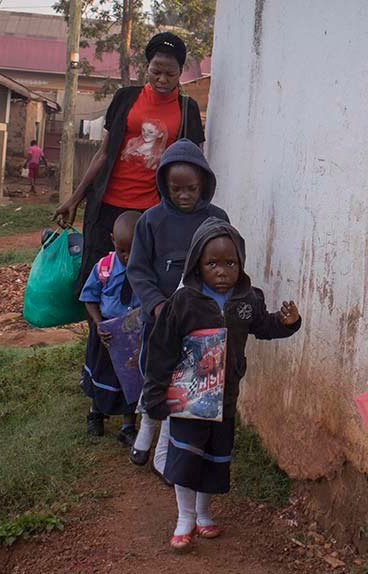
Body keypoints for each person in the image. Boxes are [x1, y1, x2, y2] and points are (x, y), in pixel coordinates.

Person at [141, 218, 301, 553]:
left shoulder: (247, 300)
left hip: (225, 399)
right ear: (197, 263)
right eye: (212, 263)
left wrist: (287, 323)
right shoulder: (183, 301)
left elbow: (263, 326)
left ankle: (203, 513)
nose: (222, 271)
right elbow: (161, 350)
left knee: (214, 459)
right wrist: (155, 396)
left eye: (230, 263)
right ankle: (184, 519)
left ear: (240, 263)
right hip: (189, 399)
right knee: (185, 457)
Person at [51, 31, 206, 298]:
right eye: (156, 71)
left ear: (181, 72)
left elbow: (194, 163)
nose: (162, 79)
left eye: (170, 74)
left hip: (153, 212)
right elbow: (103, 154)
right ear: (147, 66)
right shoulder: (125, 98)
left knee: (143, 284)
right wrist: (75, 199)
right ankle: (99, 336)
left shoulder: (187, 108)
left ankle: (137, 339)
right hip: (108, 206)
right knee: (100, 280)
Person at [125, 139, 229, 475]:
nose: (184, 195)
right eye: (176, 189)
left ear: (204, 185)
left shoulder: (216, 218)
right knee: (155, 375)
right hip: (161, 321)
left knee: (187, 383)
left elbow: (225, 263)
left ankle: (166, 449)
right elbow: (138, 270)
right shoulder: (151, 221)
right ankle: (146, 429)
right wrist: (156, 306)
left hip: (199, 323)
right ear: (163, 186)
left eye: (191, 189)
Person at [78, 211, 142, 445]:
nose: (127, 256)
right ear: (113, 241)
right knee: (100, 375)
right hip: (107, 334)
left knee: (131, 380)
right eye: (122, 250)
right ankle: (96, 414)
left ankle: (128, 426)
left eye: (133, 250)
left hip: (133, 336)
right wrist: (97, 323)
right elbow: (89, 297)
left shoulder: (146, 271)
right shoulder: (103, 268)